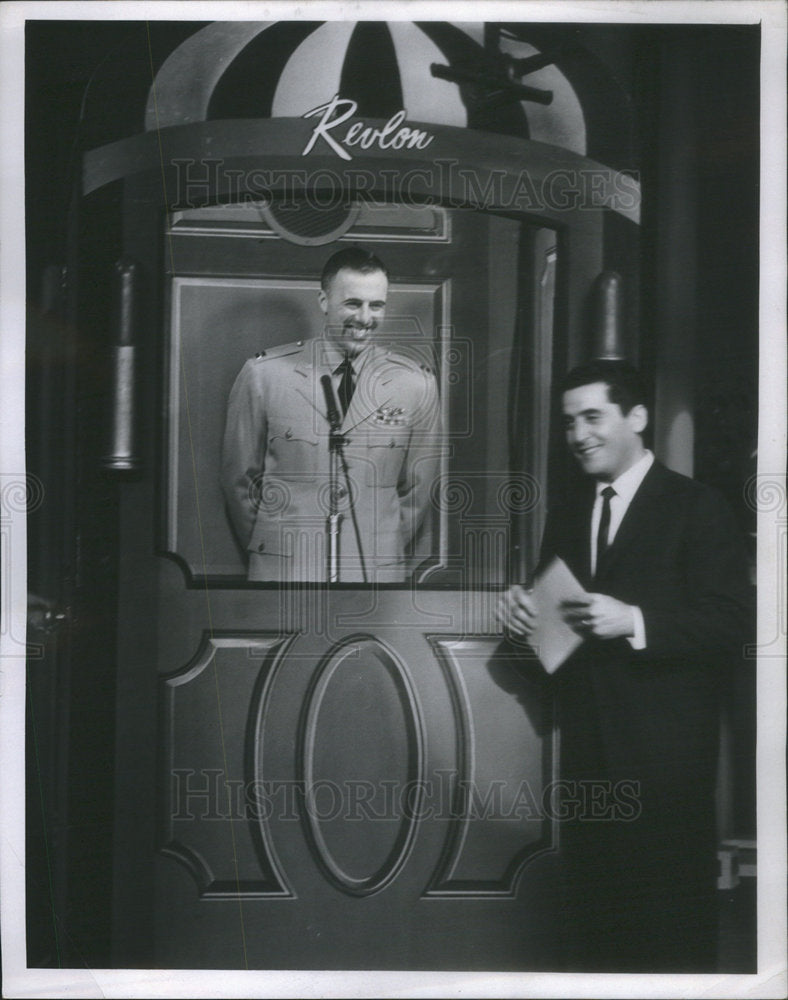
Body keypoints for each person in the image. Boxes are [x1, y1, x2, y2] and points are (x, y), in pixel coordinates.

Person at [496, 359, 752, 972]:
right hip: (585, 760)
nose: (578, 434)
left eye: (592, 417)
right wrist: (521, 621)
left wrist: (633, 620)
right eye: (568, 422)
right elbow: (552, 643)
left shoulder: (698, 508)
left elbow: (731, 621)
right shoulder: (566, 512)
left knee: (670, 937)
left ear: (637, 418)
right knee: (595, 936)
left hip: (666, 767)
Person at [221, 247, 441, 583]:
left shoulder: (415, 384)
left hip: (373, 577)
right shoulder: (264, 375)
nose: (365, 318)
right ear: (324, 301)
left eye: (376, 305)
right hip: (284, 573)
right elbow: (239, 480)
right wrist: (276, 545)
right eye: (353, 304)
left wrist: (376, 543)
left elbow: (418, 490)